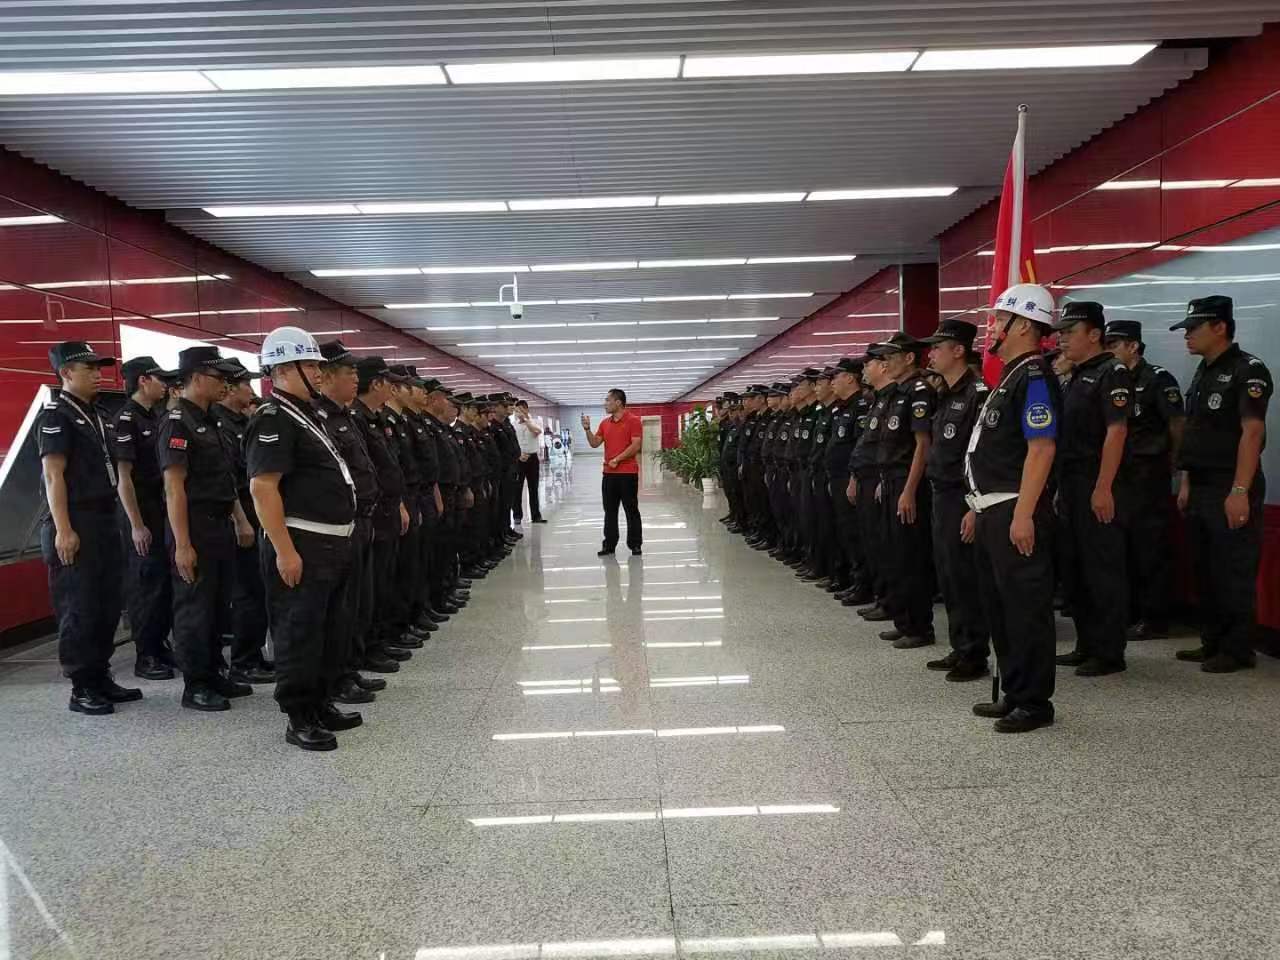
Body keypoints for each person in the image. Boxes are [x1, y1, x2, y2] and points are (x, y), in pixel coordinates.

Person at [245, 327, 359, 751]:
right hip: (302, 544)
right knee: (300, 632)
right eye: (309, 365)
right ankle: (299, 715)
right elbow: (263, 487)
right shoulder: (273, 418)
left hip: (332, 542)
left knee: (330, 629)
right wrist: (284, 550)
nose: (318, 372)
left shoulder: (308, 414)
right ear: (283, 369)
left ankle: (321, 702)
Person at [965, 283, 1061, 733]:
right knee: (1000, 608)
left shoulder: (1035, 376)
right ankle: (1014, 689)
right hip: (992, 508)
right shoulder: (1011, 376)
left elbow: (1041, 449)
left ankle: (1034, 702)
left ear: (1024, 325)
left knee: (1025, 608)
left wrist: (1024, 514)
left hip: (1015, 509)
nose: (992, 328)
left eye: (1000, 319)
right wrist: (976, 504)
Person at [1170, 296, 1273, 672]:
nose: (1187, 336)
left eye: (1193, 328)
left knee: (1233, 568)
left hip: (1231, 483)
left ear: (1220, 327)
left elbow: (1252, 433)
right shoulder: (1203, 371)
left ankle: (1237, 648)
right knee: (1206, 568)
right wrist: (1186, 483)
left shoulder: (1249, 370)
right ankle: (1212, 640)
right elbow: (1195, 434)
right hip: (1200, 483)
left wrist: (1240, 491)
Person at [38, 340, 137, 715]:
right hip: (76, 519)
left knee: (106, 602)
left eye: (99, 367)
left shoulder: (97, 413)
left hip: (104, 518)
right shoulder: (57, 416)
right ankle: (82, 686)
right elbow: (53, 476)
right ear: (66, 373)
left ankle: (100, 675)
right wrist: (64, 529)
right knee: (79, 606)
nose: (98, 374)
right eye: (89, 368)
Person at [157, 346, 257, 712]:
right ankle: (196, 684)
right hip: (193, 525)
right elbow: (174, 488)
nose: (226, 385)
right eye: (219, 378)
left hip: (220, 523)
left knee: (218, 605)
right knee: (194, 608)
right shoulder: (177, 422)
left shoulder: (212, 419)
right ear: (197, 378)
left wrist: (240, 519)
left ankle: (215, 672)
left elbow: (226, 478)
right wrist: (182, 544)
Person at [1051, 301, 1133, 677]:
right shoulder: (1075, 375)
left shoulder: (1112, 373)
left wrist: (1103, 487)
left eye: (1071, 332)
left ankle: (1109, 651)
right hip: (1071, 482)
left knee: (1102, 568)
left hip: (1098, 481)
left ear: (1095, 334)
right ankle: (1086, 643)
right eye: (1061, 332)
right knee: (1075, 569)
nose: (1062, 339)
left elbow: (1117, 431)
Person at [1102, 319, 1185, 642]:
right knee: (1123, 548)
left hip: (1148, 473)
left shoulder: (1157, 379)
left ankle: (1155, 617)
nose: (1109, 351)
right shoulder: (1112, 379)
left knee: (1150, 547)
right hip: (1120, 475)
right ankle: (1130, 611)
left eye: (1114, 345)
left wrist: (1176, 463)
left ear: (1133, 346)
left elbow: (1176, 424)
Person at [921, 320, 991, 681]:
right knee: (948, 574)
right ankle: (959, 645)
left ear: (959, 350)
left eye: (938, 347)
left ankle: (974, 653)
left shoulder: (978, 394)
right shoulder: (946, 394)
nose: (931, 354)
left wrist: (974, 506)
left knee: (965, 577)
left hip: (962, 497)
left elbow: (981, 457)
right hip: (941, 494)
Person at [317, 341, 383, 706]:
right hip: (338, 526)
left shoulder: (345, 416)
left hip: (362, 520)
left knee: (357, 601)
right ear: (325, 376)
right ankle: (337, 677)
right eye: (348, 372)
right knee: (340, 608)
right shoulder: (319, 419)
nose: (356, 378)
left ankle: (349, 668)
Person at [210, 357, 275, 686]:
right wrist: (241, 520)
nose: (250, 390)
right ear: (229, 389)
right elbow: (229, 478)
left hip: (256, 514)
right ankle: (243, 660)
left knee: (258, 589)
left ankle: (254, 655)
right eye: (244, 384)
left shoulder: (242, 422)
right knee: (247, 592)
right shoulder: (220, 424)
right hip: (241, 517)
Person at [872, 333, 937, 648]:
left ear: (910, 358)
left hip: (908, 482)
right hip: (891, 480)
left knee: (911, 555)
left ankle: (919, 627)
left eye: (891, 357)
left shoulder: (919, 392)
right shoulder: (896, 394)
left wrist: (909, 490)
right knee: (895, 553)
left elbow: (922, 444)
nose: (886, 364)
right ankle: (903, 619)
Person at [112, 355, 174, 681]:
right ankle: (145, 654)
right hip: (140, 509)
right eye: (159, 378)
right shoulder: (127, 419)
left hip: (160, 507)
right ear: (143, 381)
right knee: (145, 582)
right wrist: (136, 525)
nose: (165, 385)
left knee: (162, 582)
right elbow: (123, 478)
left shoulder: (156, 416)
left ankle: (160, 645)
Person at [352, 357, 410, 675]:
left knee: (384, 579)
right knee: (370, 587)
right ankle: (369, 648)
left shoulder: (374, 418)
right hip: (370, 513)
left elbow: (388, 467)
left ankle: (380, 640)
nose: (393, 388)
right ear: (375, 384)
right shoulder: (357, 418)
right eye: (389, 382)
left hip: (387, 508)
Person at [826, 358, 869, 604]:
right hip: (837, 477)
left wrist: (853, 478)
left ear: (850, 378)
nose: (832, 382)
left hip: (850, 478)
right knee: (843, 530)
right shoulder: (842, 408)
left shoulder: (860, 406)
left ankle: (863, 585)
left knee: (854, 533)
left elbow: (859, 447)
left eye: (837, 377)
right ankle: (853, 580)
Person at [582, 388, 643, 557]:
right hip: (609, 474)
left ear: (618, 402)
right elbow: (595, 443)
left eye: (608, 400)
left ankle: (635, 544)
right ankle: (609, 544)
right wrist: (587, 429)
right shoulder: (604, 423)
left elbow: (636, 445)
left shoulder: (634, 421)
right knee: (609, 511)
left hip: (628, 474)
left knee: (631, 510)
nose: (605, 404)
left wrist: (617, 459)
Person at [512, 399, 545, 524]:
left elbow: (536, 432)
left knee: (533, 488)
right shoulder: (513, 425)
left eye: (520, 410)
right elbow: (512, 443)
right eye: (516, 411)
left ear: (526, 409)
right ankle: (517, 516)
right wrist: (519, 455)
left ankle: (536, 516)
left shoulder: (535, 421)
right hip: (519, 459)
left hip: (532, 459)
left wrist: (526, 420)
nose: (517, 414)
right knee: (517, 488)